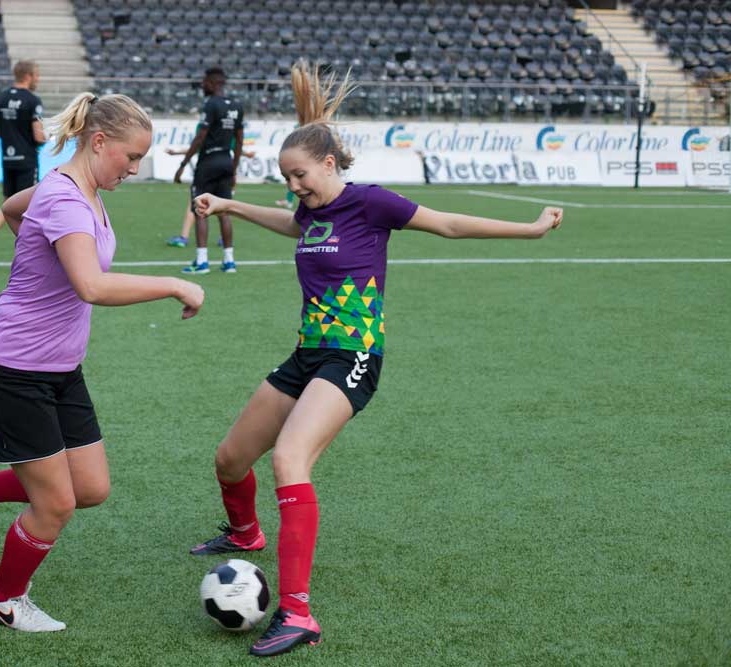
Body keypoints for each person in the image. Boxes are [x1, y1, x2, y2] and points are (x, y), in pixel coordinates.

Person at [188, 60, 563, 658]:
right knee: (230, 459)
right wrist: (232, 207)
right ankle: (246, 534)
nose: (295, 187)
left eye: (301, 175)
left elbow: (447, 225)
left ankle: (299, 613)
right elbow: (294, 224)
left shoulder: (371, 203)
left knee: (289, 458)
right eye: (288, 178)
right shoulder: (310, 209)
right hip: (307, 354)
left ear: (330, 164)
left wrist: (531, 229)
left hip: (354, 356)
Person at [0, 92, 205, 633]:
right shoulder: (65, 198)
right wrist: (173, 283)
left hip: (59, 368)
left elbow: (15, 208)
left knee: (89, 489)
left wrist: (36, 250)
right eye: (131, 157)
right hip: (13, 369)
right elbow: (90, 285)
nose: (135, 169)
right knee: (56, 503)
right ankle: (4, 599)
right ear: (99, 141)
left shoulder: (74, 189)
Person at [0, 60, 46, 271]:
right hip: (27, 161)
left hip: (8, 160)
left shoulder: (1, 98)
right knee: (31, 209)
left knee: (8, 205)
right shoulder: (33, 100)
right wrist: (47, 136)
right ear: (29, 76)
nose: (38, 79)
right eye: (37, 75)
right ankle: (32, 257)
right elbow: (38, 136)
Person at [174, 66, 243, 274]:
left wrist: (183, 164)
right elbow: (239, 141)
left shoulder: (211, 104)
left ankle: (202, 261)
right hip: (226, 161)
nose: (202, 85)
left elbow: (200, 137)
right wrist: (234, 169)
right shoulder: (237, 106)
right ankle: (229, 261)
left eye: (205, 82)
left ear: (213, 83)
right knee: (224, 212)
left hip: (208, 162)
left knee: (201, 210)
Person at [165, 144, 256, 249]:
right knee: (223, 205)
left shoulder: (206, 129)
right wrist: (246, 155)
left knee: (195, 203)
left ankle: (184, 238)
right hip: (224, 170)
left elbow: (197, 145)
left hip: (206, 170)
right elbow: (235, 145)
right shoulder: (228, 130)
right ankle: (224, 240)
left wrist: (179, 159)